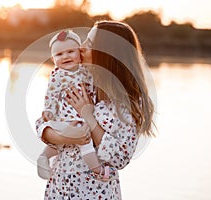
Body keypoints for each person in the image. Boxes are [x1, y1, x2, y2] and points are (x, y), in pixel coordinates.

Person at [35, 20, 155, 199]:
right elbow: (44, 123)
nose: (81, 48)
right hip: (60, 186)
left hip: (94, 192)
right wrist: (64, 138)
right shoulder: (78, 78)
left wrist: (88, 117)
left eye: (89, 44)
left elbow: (120, 158)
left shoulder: (129, 101)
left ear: (106, 53)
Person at [37, 29, 115, 181]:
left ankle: (44, 157)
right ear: (53, 59)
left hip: (83, 117)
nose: (65, 56)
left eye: (70, 52)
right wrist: (49, 111)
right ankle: (98, 170)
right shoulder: (57, 76)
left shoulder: (88, 71)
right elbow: (51, 96)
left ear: (79, 53)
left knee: (62, 143)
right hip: (69, 119)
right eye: (59, 54)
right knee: (85, 143)